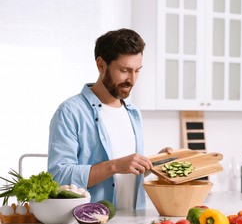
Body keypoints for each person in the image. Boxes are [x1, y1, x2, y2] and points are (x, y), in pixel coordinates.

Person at [48, 28, 171, 210]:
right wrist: (114, 166)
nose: (132, 79)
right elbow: (59, 175)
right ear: (101, 65)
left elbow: (123, 176)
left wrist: (153, 163)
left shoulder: (133, 112)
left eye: (137, 71)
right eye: (124, 70)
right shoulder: (70, 112)